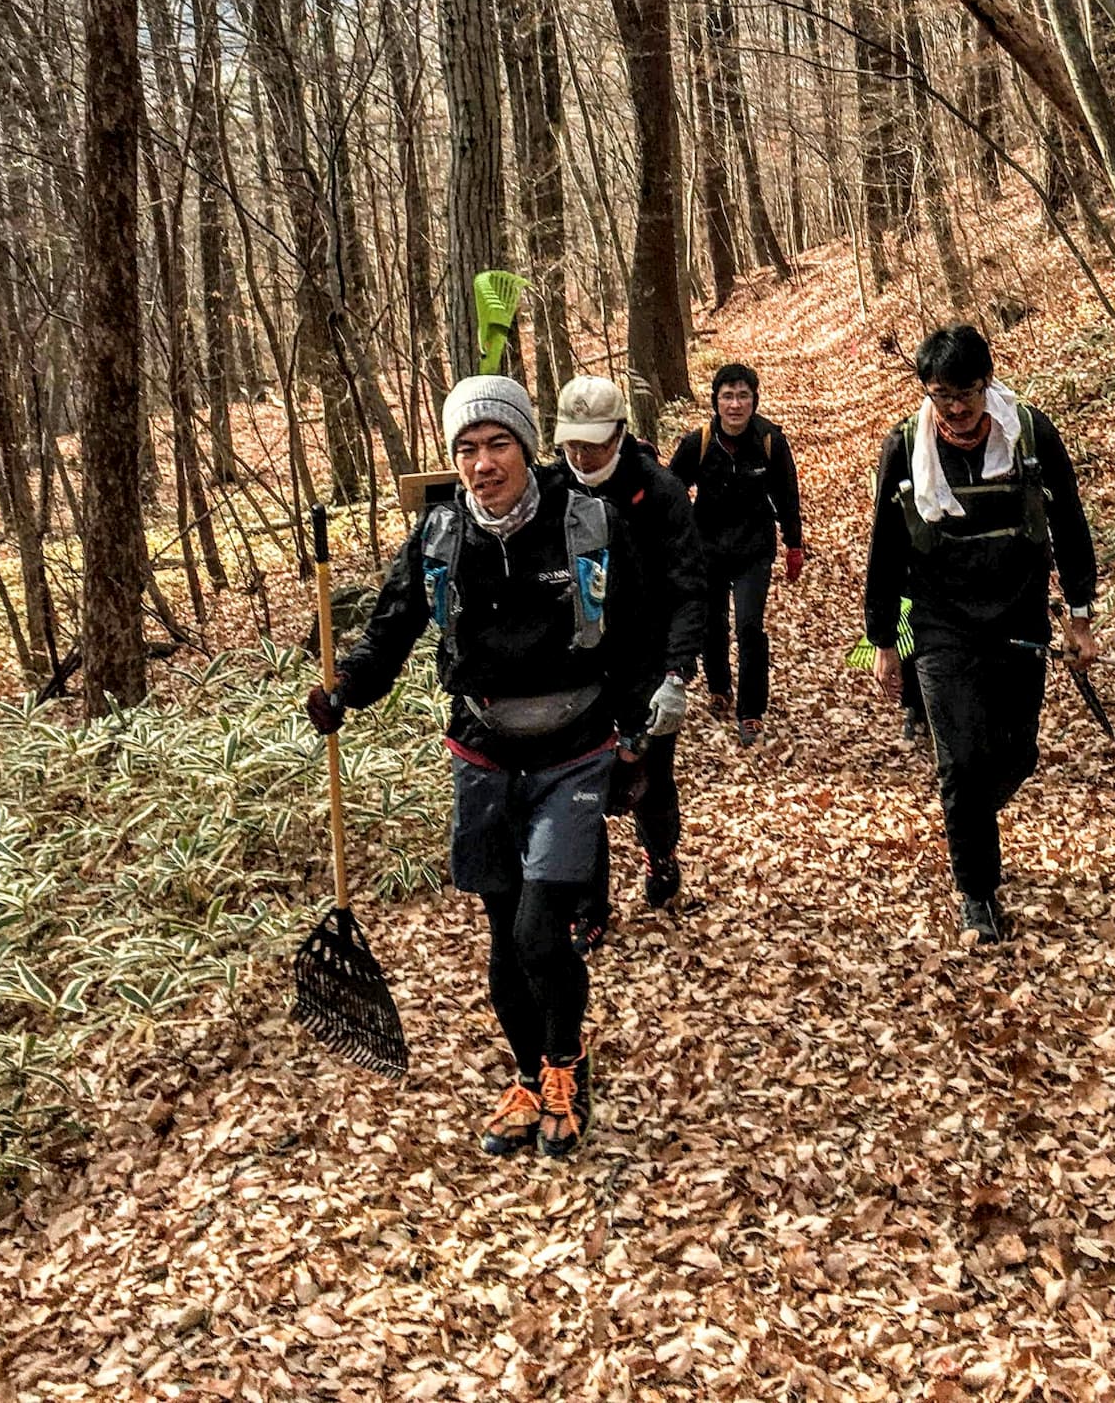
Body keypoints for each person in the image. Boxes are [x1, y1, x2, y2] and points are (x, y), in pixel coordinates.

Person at [304, 374, 657, 1158]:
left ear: (529, 449)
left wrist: (639, 742)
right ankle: (530, 1078)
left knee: (540, 930)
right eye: (466, 447)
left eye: (498, 443)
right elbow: (391, 628)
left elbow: (637, 636)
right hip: (482, 753)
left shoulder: (586, 524)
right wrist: (345, 691)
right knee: (503, 934)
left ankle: (568, 1065)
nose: (483, 462)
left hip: (572, 751)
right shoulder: (440, 536)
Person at [862, 324, 1098, 944]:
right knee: (962, 762)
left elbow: (1070, 522)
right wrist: (883, 639)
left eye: (966, 392)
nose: (957, 409)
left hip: (1020, 617)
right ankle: (977, 892)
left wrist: (1080, 614)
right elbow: (884, 548)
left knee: (1016, 755)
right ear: (927, 394)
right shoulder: (903, 448)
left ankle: (969, 820)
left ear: (987, 382)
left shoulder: (1032, 433)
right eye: (942, 395)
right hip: (942, 625)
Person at [554, 375, 708, 946]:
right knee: (579, 787)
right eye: (572, 441)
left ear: (620, 432)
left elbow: (690, 586)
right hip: (577, 665)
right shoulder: (550, 488)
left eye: (592, 441)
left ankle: (660, 853)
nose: (581, 454)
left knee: (647, 782)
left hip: (645, 663)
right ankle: (589, 907)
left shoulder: (659, 490)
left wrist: (676, 674)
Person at [667, 362, 803, 747]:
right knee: (712, 625)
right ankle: (719, 686)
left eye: (743, 395)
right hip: (706, 549)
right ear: (716, 401)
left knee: (749, 626)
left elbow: (787, 493)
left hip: (754, 550)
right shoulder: (699, 442)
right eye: (727, 396)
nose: (735, 404)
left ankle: (751, 712)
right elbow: (671, 491)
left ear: (754, 400)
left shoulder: (770, 440)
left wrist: (794, 543)